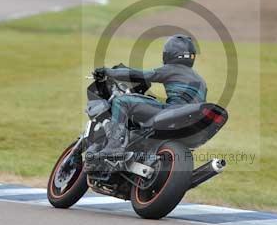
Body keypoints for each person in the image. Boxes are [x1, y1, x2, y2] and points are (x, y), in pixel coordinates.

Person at [88, 34, 207, 163]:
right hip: (191, 122)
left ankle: (114, 146)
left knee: (122, 101)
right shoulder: (201, 81)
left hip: (173, 110)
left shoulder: (173, 69)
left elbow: (138, 75)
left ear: (170, 53)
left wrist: (107, 72)